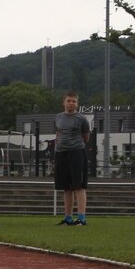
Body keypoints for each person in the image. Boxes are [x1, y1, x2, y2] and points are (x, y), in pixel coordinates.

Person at [55, 91, 91, 226]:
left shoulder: (82, 119)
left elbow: (86, 137)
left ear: (77, 104)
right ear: (64, 102)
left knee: (79, 186)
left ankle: (81, 218)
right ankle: (68, 218)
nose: (71, 103)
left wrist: (75, 145)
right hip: (61, 153)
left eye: (74, 101)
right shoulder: (58, 117)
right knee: (66, 187)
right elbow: (58, 134)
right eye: (69, 101)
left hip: (77, 153)